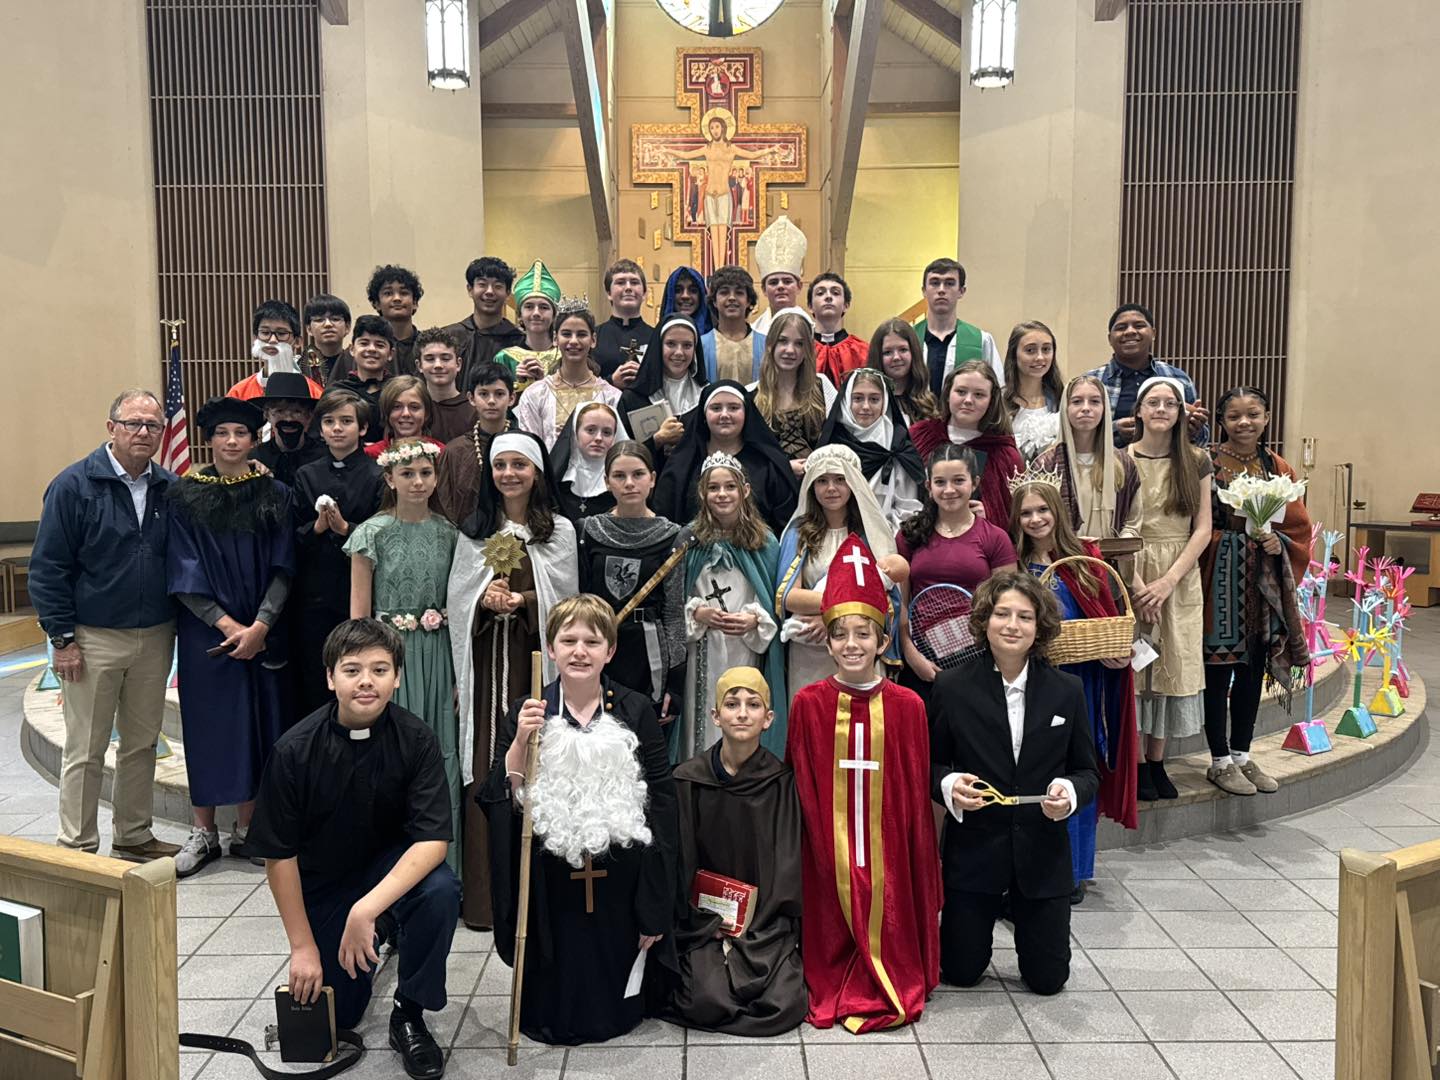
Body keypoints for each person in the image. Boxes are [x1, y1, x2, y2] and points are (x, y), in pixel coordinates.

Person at [246, 618, 459, 1080]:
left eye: (380, 670)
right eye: (352, 669)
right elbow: (278, 855)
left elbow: (433, 842)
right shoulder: (293, 751)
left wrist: (365, 910)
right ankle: (377, 931)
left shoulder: (416, 739)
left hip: (389, 874)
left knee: (441, 891)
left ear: (397, 677)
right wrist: (302, 947)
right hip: (325, 880)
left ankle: (410, 1011)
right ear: (330, 677)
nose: (367, 681)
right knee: (342, 1015)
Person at [480, 594, 678, 1045]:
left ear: (610, 651)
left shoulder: (634, 710)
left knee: (613, 983)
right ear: (550, 648)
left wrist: (654, 904)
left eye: (592, 641)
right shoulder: (527, 709)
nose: (579, 651)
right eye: (567, 640)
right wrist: (519, 746)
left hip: (621, 884)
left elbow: (662, 804)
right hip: (551, 886)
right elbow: (500, 797)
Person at [787, 534, 941, 1032]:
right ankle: (838, 961)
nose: (851, 645)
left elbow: (915, 799)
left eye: (863, 634)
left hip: (889, 843)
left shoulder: (907, 706)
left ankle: (891, 961)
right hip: (830, 843)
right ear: (826, 641)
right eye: (840, 635)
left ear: (881, 640)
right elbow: (804, 786)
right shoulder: (809, 704)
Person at [929, 571, 1099, 996]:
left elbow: (1088, 772)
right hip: (976, 848)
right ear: (984, 619)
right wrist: (949, 784)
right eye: (1002, 613)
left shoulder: (1067, 690)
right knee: (961, 971)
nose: (1012, 625)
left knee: (1048, 981)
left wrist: (1071, 794)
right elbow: (927, 764)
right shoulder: (951, 688)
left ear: (1039, 626)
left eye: (1024, 616)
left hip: (1042, 850)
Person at [30, 389, 180, 862]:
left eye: (152, 425)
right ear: (111, 426)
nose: (143, 433)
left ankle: (134, 834)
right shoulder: (74, 485)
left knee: (140, 744)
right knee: (86, 748)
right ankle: (77, 845)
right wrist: (63, 639)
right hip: (93, 638)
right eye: (133, 423)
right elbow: (48, 567)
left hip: (155, 636)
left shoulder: (169, 488)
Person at [448, 430, 577, 929]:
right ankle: (483, 902)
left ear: (537, 473)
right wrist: (484, 599)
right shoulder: (476, 528)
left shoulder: (559, 531)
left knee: (540, 769)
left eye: (518, 465)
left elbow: (566, 600)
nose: (508, 474)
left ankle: (538, 901)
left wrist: (524, 601)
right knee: (488, 770)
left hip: (533, 668)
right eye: (500, 465)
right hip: (487, 672)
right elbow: (458, 598)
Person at [166, 396, 295, 877]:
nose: (232, 441)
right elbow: (182, 569)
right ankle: (205, 832)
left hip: (263, 632)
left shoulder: (273, 492)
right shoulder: (183, 495)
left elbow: (284, 564)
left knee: (259, 725)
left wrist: (260, 625)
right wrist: (228, 625)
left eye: (241, 433)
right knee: (208, 727)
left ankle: (248, 830)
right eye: (223, 433)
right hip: (207, 633)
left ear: (253, 438)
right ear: (210, 439)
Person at [657, 666, 806, 1036]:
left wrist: (753, 927)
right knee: (706, 1000)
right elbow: (680, 865)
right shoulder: (687, 780)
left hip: (762, 925)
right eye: (732, 703)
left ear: (769, 718)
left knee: (784, 1004)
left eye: (753, 704)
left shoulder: (780, 783)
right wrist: (707, 924)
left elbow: (785, 866)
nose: (742, 713)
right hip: (702, 923)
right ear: (715, 715)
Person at [1010, 478, 1139, 904]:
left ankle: (1076, 868)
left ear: (1057, 512)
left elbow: (1107, 614)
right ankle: (1032, 865)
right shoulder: (1013, 566)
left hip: (1081, 683)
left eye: (1042, 511)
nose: (1035, 520)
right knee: (1033, 768)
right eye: (1026, 513)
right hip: (1033, 683)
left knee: (1077, 769)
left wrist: (1117, 657)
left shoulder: (1085, 560)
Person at [346, 439, 461, 871]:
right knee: (391, 757)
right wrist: (368, 672)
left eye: (425, 473)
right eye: (407, 473)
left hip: (438, 655)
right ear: (389, 479)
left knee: (441, 752)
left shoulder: (449, 534)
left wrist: (457, 674)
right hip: (389, 658)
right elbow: (357, 616)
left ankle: (444, 871)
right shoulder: (370, 533)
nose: (417, 482)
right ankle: (389, 870)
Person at [1200, 386, 1311, 797]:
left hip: (1262, 585)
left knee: (1251, 669)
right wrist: (1221, 539)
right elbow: (1192, 522)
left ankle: (1243, 755)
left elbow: (1298, 527)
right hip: (1219, 580)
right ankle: (1218, 760)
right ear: (1221, 421)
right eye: (1233, 415)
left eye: (1253, 414)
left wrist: (1277, 542)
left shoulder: (1277, 466)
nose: (1243, 422)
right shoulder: (1206, 463)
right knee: (1216, 672)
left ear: (1266, 418)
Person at [1129, 377, 1213, 801]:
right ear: (1139, 410)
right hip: (1133, 569)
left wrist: (1168, 580)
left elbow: (1202, 529)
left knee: (1170, 662)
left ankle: (1158, 759)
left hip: (1178, 573)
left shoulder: (1196, 460)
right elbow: (1115, 528)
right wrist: (1140, 584)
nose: (1161, 409)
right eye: (1153, 402)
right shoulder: (1122, 459)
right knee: (1138, 664)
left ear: (1180, 413)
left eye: (1170, 404)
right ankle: (1138, 763)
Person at [777, 445, 907, 701]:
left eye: (839, 479)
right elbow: (788, 598)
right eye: (822, 481)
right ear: (811, 486)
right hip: (810, 647)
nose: (831, 488)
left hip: (859, 643)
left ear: (853, 483)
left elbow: (886, 595)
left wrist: (834, 617)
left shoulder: (870, 532)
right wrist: (837, 611)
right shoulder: (798, 532)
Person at [679, 453, 784, 760]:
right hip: (702, 647)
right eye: (713, 488)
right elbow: (675, 597)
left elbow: (774, 599)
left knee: (743, 707)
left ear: (745, 491)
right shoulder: (689, 539)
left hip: (744, 646)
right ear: (702, 492)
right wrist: (696, 612)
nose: (722, 494)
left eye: (730, 487)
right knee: (703, 709)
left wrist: (755, 620)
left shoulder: (764, 542)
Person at [896, 445, 1018, 703]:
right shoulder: (909, 536)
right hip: (921, 662)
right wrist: (911, 653)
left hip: (979, 662)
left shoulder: (996, 539)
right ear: (928, 486)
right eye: (940, 482)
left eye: (958, 481)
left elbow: (1007, 606)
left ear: (974, 483)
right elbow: (901, 603)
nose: (949, 490)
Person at [578, 442, 688, 728]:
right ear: (606, 481)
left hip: (648, 649)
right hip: (598, 645)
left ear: (652, 478)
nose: (629, 483)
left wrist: (675, 684)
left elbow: (674, 612)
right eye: (619, 476)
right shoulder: (588, 530)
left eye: (638, 474)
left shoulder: (672, 536)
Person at [289, 390, 383, 716]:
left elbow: (384, 534)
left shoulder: (377, 475)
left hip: (358, 591)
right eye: (329, 422)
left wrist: (346, 529)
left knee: (359, 671)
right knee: (317, 678)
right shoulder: (306, 475)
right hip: (314, 594)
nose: (337, 429)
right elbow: (293, 536)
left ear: (363, 428)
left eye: (346, 421)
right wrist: (316, 528)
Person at [653, 381, 798, 535]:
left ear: (746, 413)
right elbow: (665, 520)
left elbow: (785, 526)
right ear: (704, 414)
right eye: (716, 408)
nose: (724, 415)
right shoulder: (682, 464)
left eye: (734, 408)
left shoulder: (769, 464)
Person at [910, 360, 1025, 523]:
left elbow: (1017, 515)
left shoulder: (1004, 454)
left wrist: (989, 516)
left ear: (991, 401)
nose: (968, 400)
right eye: (961, 391)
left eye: (979, 394)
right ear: (948, 394)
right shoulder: (920, 435)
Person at [1033, 374, 1143, 541]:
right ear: (1065, 408)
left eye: (1094, 401)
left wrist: (1124, 540)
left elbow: (1133, 519)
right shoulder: (1046, 465)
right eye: (1077, 401)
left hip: (1109, 561)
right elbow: (1035, 518)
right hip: (1062, 558)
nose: (1086, 408)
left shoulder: (1123, 463)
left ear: (1104, 408)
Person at [1085, 304, 1209, 448]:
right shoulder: (1092, 382)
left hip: (1168, 467)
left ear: (1153, 333)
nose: (1130, 331)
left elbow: (1202, 440)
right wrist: (1115, 431)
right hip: (1108, 468)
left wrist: (1193, 430)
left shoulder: (1177, 378)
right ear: (1109, 339)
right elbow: (1075, 434)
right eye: (1121, 328)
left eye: (1139, 325)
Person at [820, 368, 925, 532]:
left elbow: (907, 506)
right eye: (858, 398)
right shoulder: (832, 442)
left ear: (885, 402)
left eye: (874, 399)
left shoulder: (897, 445)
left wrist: (887, 539)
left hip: (887, 534)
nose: (866, 406)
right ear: (846, 400)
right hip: (837, 532)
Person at [515, 302, 622, 449]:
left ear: (593, 340)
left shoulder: (611, 396)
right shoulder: (535, 394)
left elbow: (617, 449)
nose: (573, 341)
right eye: (566, 334)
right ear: (555, 339)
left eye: (581, 334)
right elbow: (529, 449)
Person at [753, 309, 837, 477]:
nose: (790, 350)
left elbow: (839, 440)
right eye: (783, 341)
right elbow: (751, 458)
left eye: (799, 343)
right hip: (776, 492)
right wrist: (784, 467)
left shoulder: (822, 386)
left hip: (819, 488)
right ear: (770, 344)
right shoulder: (752, 395)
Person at [617, 315, 708, 468]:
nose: (679, 352)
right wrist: (658, 440)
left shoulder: (706, 396)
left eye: (687, 345)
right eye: (671, 344)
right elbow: (620, 453)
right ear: (658, 347)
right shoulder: (633, 398)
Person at [435, 361, 518, 526]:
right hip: (466, 538)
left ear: (512, 398)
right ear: (471, 398)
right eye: (484, 394)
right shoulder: (454, 451)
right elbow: (445, 504)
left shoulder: (524, 447)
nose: (492, 401)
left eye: (499, 394)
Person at [913, 259, 1002, 397]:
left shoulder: (981, 341)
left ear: (961, 291)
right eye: (935, 283)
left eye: (949, 283)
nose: (941, 290)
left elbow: (997, 391)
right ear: (924, 290)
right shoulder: (908, 339)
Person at [227, 299, 325, 401]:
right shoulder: (238, 393)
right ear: (255, 338)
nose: (272, 340)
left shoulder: (315, 392)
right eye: (265, 333)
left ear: (297, 342)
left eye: (281, 333)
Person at [448, 256, 525, 381]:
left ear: (507, 293)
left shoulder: (519, 342)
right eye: (482, 284)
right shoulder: (450, 337)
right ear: (470, 289)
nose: (489, 291)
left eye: (498, 286)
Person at [1001, 320, 1065, 461]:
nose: (1040, 357)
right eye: (1030, 350)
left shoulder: (1062, 399)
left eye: (1046, 349)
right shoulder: (998, 401)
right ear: (1014, 354)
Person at [552, 401, 626, 521]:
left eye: (607, 432)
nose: (598, 438)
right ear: (575, 433)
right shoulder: (556, 483)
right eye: (590, 430)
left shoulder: (625, 484)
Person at [495, 259, 562, 390]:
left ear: (554, 315)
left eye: (544, 307)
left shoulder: (565, 357)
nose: (536, 313)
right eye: (529, 307)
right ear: (519, 315)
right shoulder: (505, 358)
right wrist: (516, 385)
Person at [251, 371, 325, 486]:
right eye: (279, 411)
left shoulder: (325, 458)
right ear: (267, 415)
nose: (289, 419)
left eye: (297, 412)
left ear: (309, 416)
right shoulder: (256, 459)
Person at [331, 315, 397, 443]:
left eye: (379, 345)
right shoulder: (336, 392)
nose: (371, 349)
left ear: (390, 354)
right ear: (352, 349)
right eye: (364, 343)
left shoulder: (399, 391)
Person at [867, 318, 939, 424]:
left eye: (903, 350)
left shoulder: (927, 404)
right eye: (887, 352)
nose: (896, 357)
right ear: (877, 356)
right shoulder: (866, 404)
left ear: (913, 352)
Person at [702, 265, 766, 384]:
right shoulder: (702, 345)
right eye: (724, 292)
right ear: (714, 301)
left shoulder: (766, 345)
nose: (732, 298)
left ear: (748, 301)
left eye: (739, 293)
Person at [595, 259, 652, 389]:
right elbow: (584, 384)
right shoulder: (594, 336)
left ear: (644, 294)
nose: (628, 288)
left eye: (634, 282)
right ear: (609, 293)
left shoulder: (657, 337)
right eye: (620, 282)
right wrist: (610, 382)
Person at [415, 326, 477, 444]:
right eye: (430, 359)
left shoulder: (474, 411)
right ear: (419, 366)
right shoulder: (411, 410)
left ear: (458, 364)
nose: (438, 365)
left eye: (445, 358)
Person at [364, 375, 445, 461]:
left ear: (426, 413)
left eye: (414, 407)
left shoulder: (442, 453)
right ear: (387, 412)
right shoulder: (370, 455)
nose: (406, 414)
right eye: (397, 406)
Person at [751, 214, 806, 335]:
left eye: (787, 281)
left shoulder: (811, 331)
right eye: (773, 282)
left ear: (799, 286)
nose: (780, 286)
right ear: (764, 289)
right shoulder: (754, 332)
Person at [809, 272, 867, 383]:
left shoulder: (862, 352)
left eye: (835, 293)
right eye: (820, 293)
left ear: (846, 305)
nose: (828, 297)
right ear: (810, 306)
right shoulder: (801, 348)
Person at [300, 293, 352, 384]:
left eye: (335, 319)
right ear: (309, 329)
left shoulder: (356, 365)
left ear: (347, 327)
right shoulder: (298, 368)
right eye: (319, 320)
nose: (328, 324)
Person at [660, 265, 711, 336]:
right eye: (678, 290)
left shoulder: (715, 340)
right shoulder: (657, 338)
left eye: (693, 291)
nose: (685, 296)